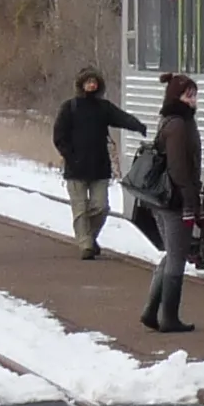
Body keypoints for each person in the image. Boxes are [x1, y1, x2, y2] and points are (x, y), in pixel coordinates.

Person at [49, 66, 147, 261]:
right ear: (81, 84)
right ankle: (86, 245)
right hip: (75, 168)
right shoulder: (70, 108)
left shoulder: (103, 108)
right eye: (88, 82)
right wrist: (70, 156)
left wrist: (137, 125)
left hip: (99, 167)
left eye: (94, 81)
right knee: (80, 209)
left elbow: (121, 118)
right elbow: (59, 136)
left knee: (101, 207)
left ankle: (89, 238)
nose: (91, 85)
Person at [138, 72, 203, 335]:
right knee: (177, 259)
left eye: (195, 94)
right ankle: (169, 317)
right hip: (175, 200)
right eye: (189, 94)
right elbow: (178, 167)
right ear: (177, 96)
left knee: (171, 256)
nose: (194, 99)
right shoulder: (178, 125)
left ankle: (152, 311)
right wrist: (190, 199)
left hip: (166, 199)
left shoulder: (172, 120)